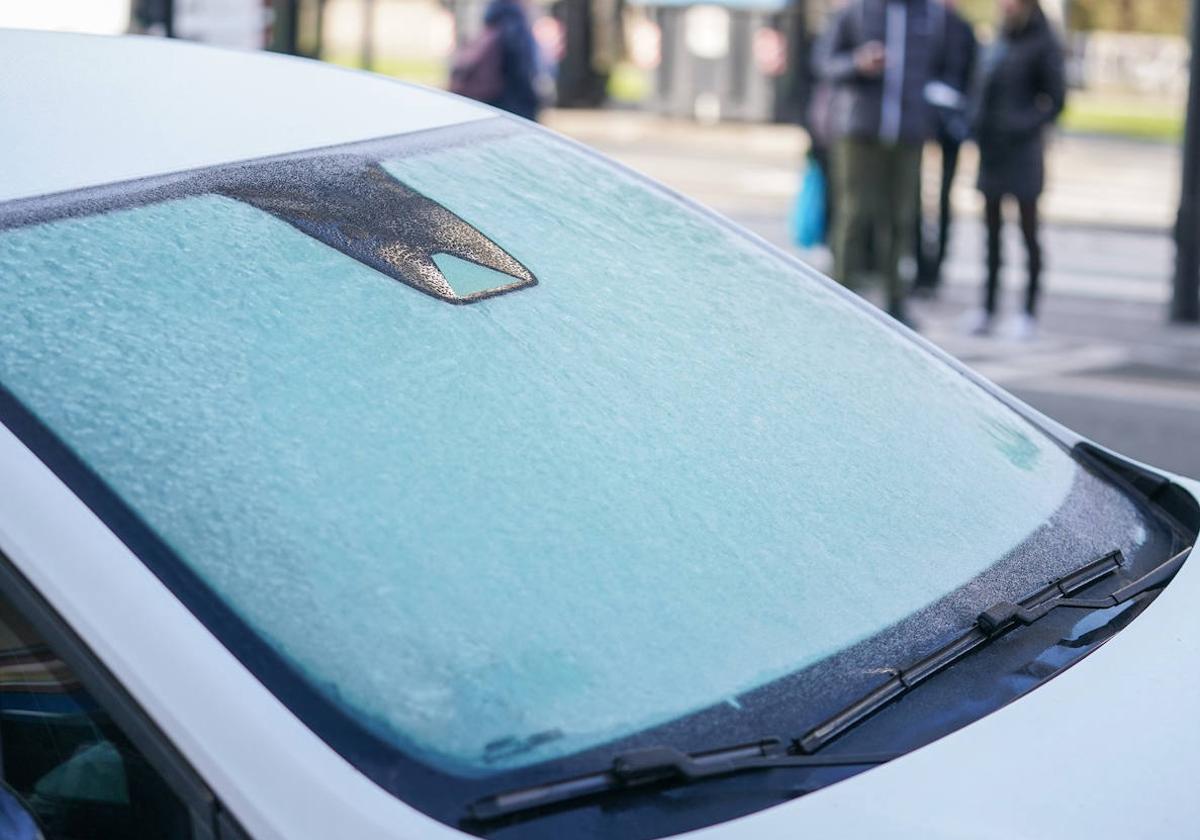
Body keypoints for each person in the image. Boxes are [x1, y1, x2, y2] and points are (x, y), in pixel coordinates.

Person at [815, 0, 943, 326]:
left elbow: (943, 69)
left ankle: (895, 299)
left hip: (907, 132)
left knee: (901, 218)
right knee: (855, 212)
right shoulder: (857, 11)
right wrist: (857, 63)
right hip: (860, 130)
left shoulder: (928, 14)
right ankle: (841, 292)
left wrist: (932, 115)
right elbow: (824, 63)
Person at [968, 0, 1065, 338]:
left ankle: (1028, 311)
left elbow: (1056, 100)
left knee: (1027, 232)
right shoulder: (999, 39)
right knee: (991, 234)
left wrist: (1022, 123)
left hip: (1023, 153)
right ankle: (988, 308)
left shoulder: (1043, 42)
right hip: (993, 151)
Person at [914, 0, 977, 293]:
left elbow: (972, 76)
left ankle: (936, 266)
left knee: (944, 199)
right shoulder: (921, 24)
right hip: (920, 122)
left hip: (951, 124)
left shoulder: (963, 29)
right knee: (914, 198)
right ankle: (919, 264)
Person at [452, 0, 542, 122]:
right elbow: (522, 70)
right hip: (512, 100)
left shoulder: (491, 24)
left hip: (491, 98)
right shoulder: (515, 26)